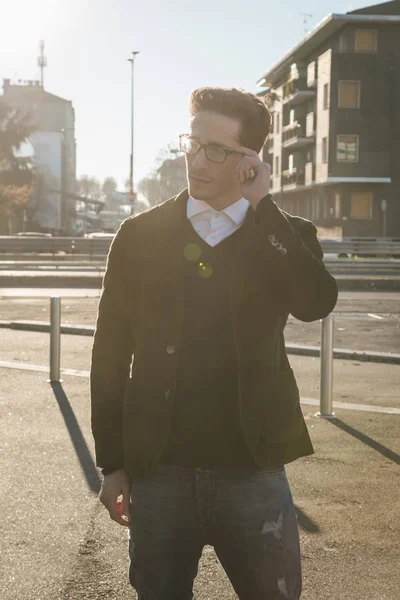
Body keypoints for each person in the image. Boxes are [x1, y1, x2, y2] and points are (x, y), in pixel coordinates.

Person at [90, 86, 338, 599]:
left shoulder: (284, 234)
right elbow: (110, 352)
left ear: (251, 160)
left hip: (253, 469)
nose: (197, 161)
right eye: (192, 144)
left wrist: (263, 207)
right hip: (158, 470)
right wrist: (112, 462)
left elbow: (315, 302)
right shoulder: (139, 236)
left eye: (216, 150)